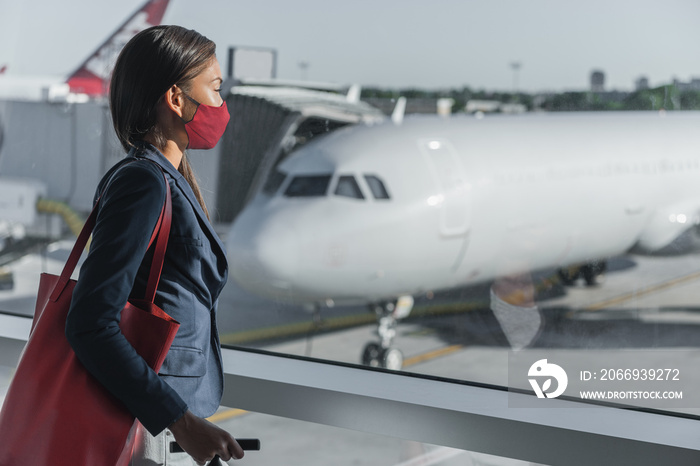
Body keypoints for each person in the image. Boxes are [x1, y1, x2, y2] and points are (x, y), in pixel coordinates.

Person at [65, 25, 244, 465]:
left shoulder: (168, 179)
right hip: (149, 429)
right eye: (215, 89)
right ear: (176, 99)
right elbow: (89, 322)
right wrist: (180, 422)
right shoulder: (144, 182)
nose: (222, 105)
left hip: (163, 423)